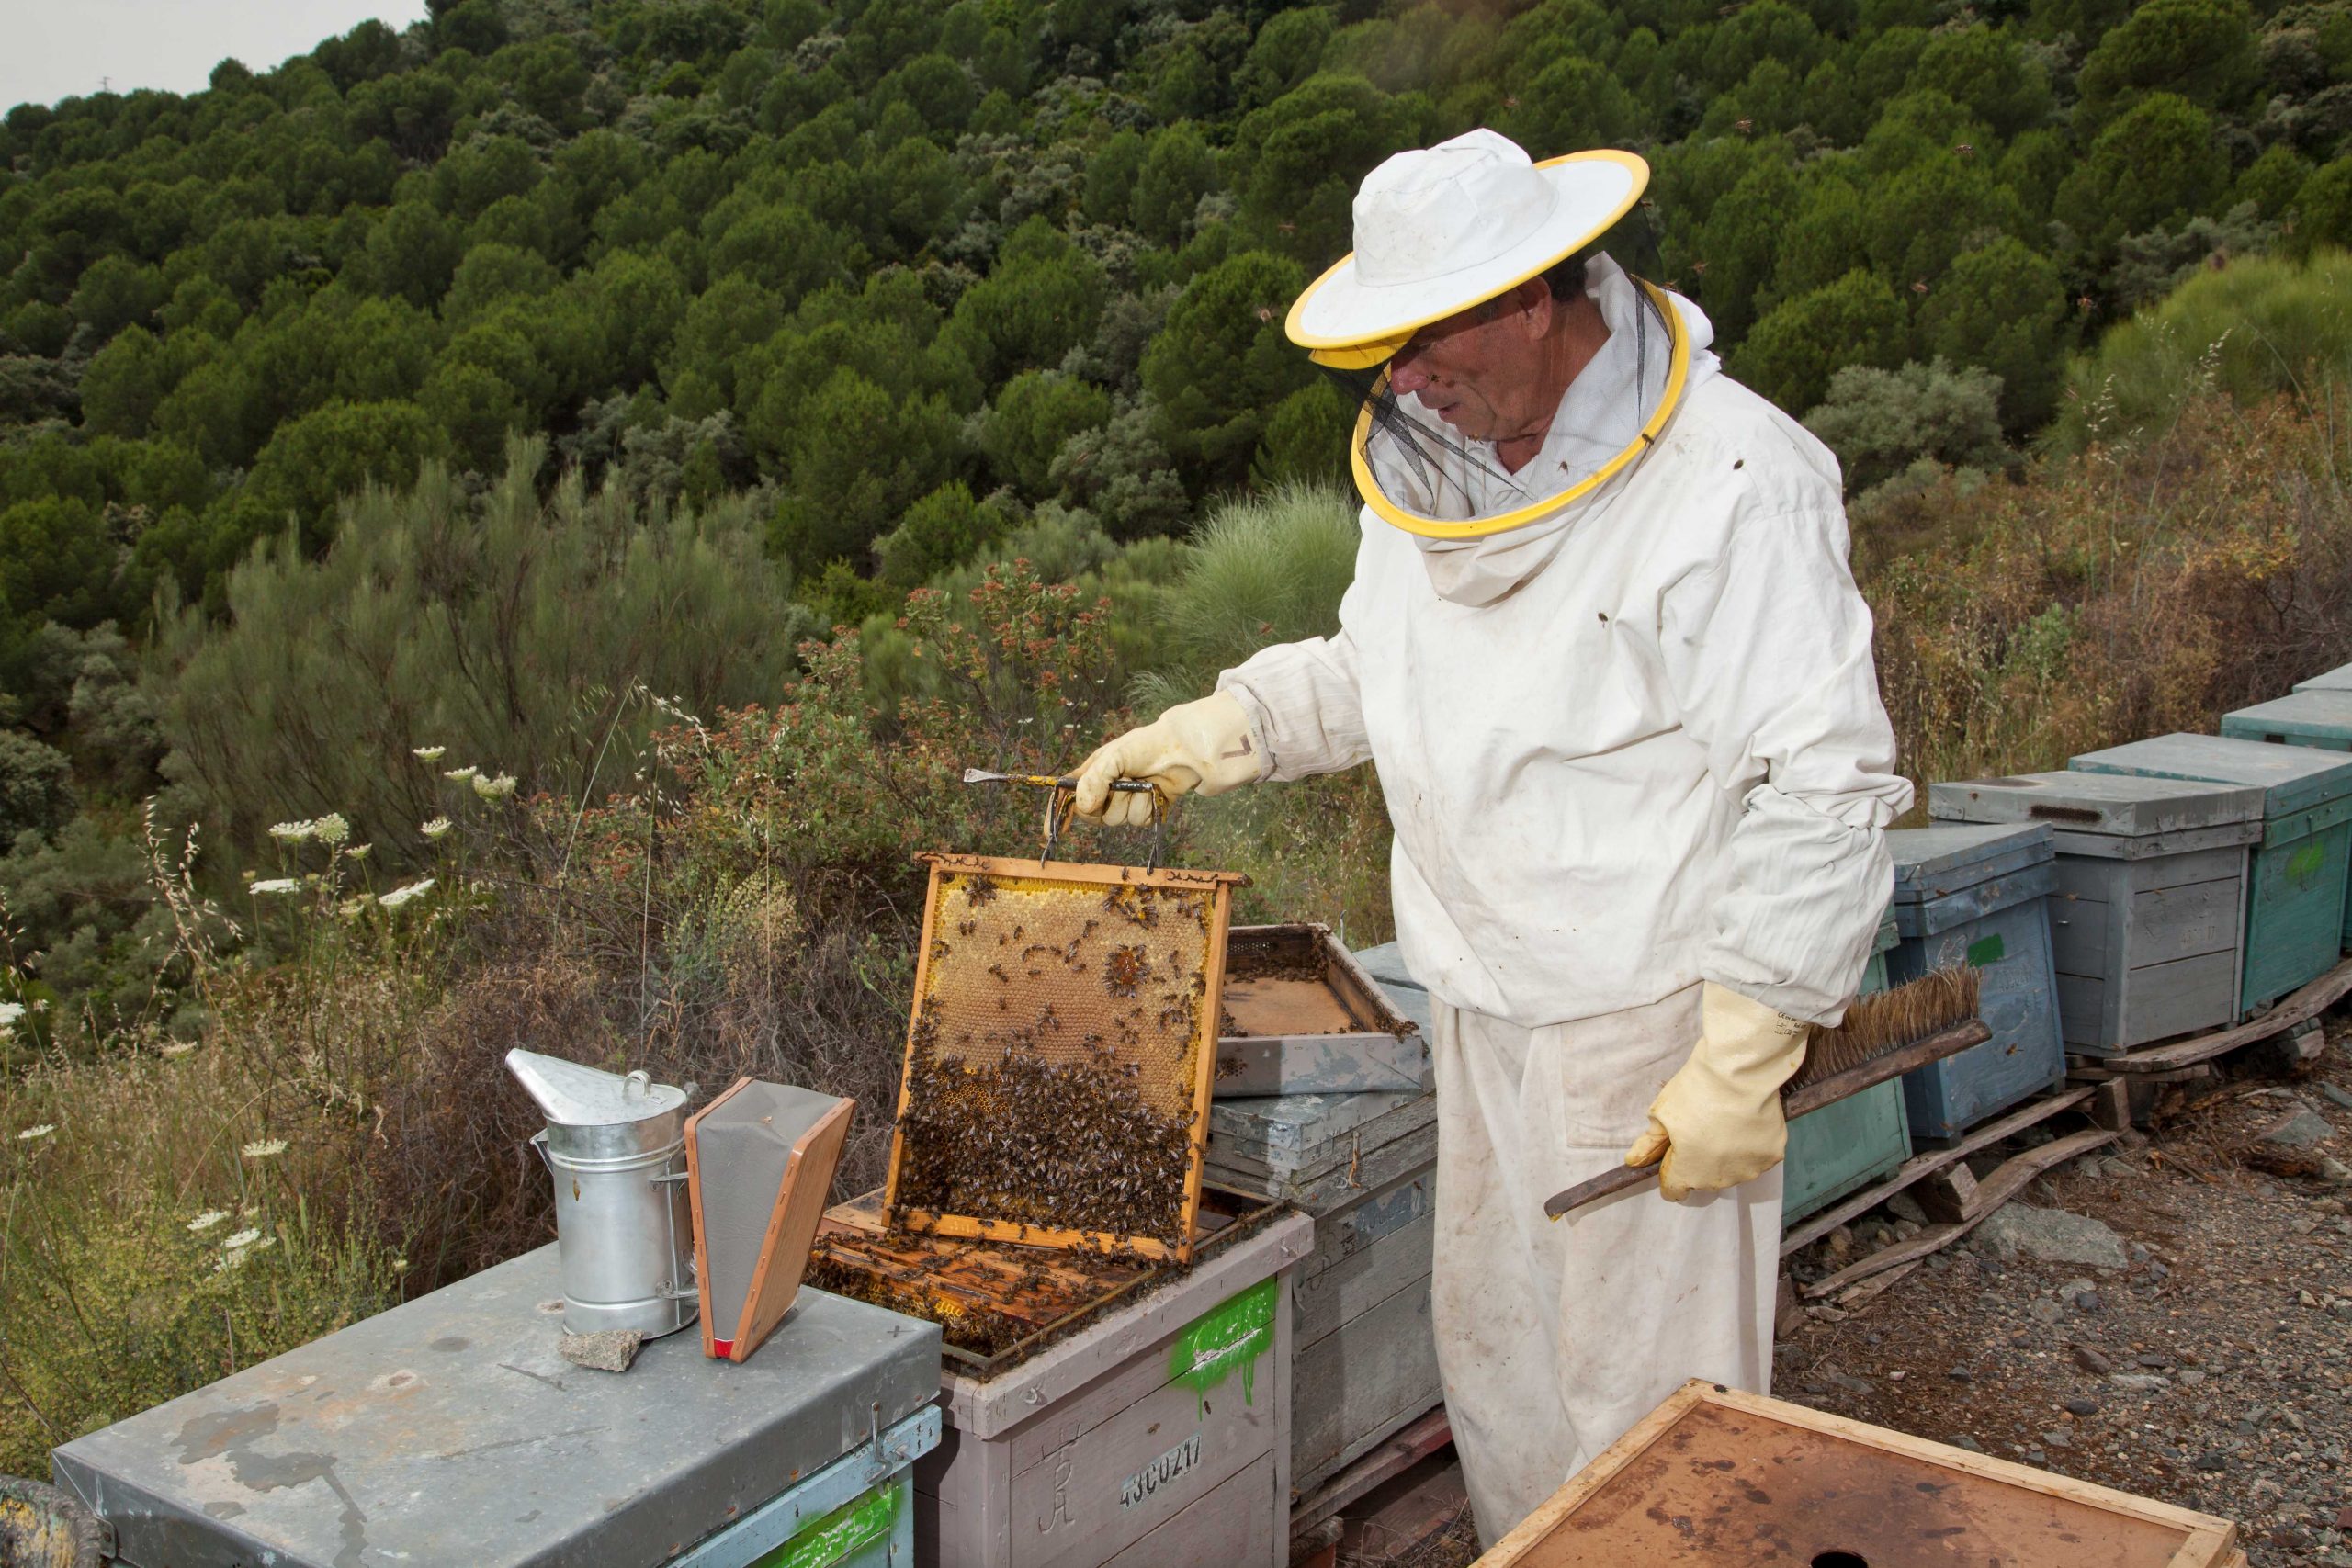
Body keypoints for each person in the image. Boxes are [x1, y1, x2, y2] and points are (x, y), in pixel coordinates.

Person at [1070, 129, 1912, 1545]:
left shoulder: (1736, 480)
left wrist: (1749, 1044)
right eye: (1385, 351)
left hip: (1648, 1026)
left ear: (1535, 295)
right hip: (1477, 1002)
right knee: (1508, 1383)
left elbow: (1822, 776)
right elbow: (1380, 665)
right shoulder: (1429, 471)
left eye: (1424, 341)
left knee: (1657, 1412)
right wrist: (1221, 729)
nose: (1401, 381)